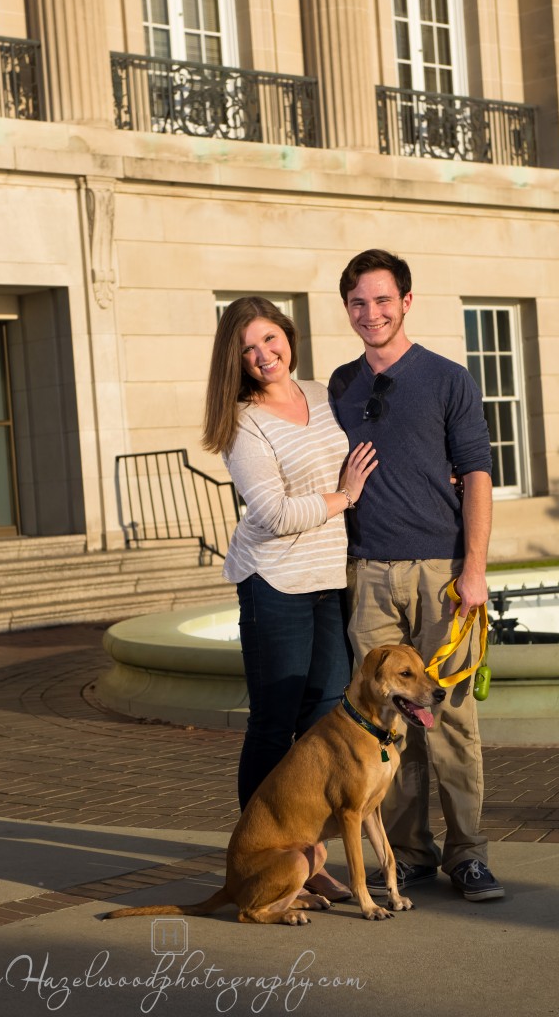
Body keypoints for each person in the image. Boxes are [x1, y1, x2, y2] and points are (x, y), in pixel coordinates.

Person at [328, 249, 504, 902]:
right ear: (347, 308)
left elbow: (478, 474)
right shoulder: (340, 386)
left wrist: (475, 569)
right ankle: (406, 852)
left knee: (451, 717)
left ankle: (468, 854)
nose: (370, 313)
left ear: (405, 302)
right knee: (380, 719)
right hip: (368, 571)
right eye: (357, 303)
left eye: (381, 300)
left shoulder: (448, 379)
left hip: (442, 573)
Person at [202, 295, 377, 901]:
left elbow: (373, 448)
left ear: (288, 335)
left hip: (329, 579)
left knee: (323, 718)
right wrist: (343, 498)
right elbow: (273, 514)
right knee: (275, 726)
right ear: (237, 360)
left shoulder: (324, 395)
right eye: (248, 349)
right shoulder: (243, 422)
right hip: (273, 582)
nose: (263, 355)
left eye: (269, 339)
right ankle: (261, 857)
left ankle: (312, 857)